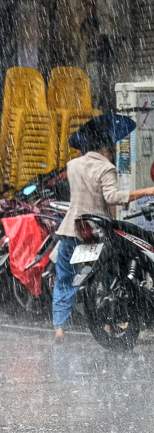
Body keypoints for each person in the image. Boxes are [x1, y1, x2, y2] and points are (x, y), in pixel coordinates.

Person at [52, 114, 154, 343]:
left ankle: (59, 328)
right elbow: (112, 197)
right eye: (112, 147)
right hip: (97, 230)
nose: (114, 151)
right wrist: (146, 192)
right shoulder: (105, 167)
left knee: (64, 279)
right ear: (105, 147)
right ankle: (110, 321)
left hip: (72, 228)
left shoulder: (72, 165)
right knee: (111, 276)